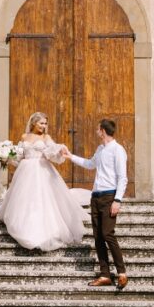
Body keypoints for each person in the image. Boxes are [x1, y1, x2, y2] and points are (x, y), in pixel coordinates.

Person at [0, 112, 85, 251]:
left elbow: (52, 151)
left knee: (41, 200)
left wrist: (59, 149)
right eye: (41, 123)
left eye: (45, 123)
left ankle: (43, 232)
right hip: (25, 170)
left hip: (41, 170)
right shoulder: (24, 136)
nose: (44, 126)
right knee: (24, 200)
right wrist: (7, 156)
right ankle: (23, 227)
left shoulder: (46, 137)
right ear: (34, 123)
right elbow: (20, 156)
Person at [63, 118, 128, 289]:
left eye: (98, 129)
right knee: (98, 237)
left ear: (103, 131)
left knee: (108, 234)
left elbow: (123, 178)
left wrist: (117, 200)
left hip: (109, 196)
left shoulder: (118, 150)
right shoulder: (100, 149)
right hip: (96, 196)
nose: (96, 131)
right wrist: (70, 157)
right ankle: (105, 274)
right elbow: (90, 164)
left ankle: (121, 272)